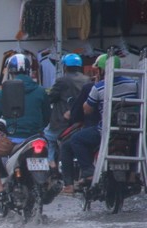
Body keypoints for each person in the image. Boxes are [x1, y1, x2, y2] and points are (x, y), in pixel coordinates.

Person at [69, 53, 139, 190]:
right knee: (135, 143)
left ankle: (89, 173)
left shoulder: (99, 87)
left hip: (105, 130)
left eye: (97, 70)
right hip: (131, 130)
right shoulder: (133, 84)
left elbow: (87, 110)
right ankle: (132, 174)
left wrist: (94, 88)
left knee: (76, 139)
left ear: (101, 70)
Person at [0, 53, 51, 192]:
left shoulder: (3, 92)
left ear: (10, 71)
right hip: (36, 138)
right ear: (28, 70)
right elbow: (47, 117)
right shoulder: (40, 91)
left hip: (13, 141)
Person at [43, 53, 89, 177]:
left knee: (47, 138)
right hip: (80, 122)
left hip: (61, 123)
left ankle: (52, 165)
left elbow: (51, 98)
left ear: (65, 66)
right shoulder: (87, 80)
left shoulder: (62, 80)